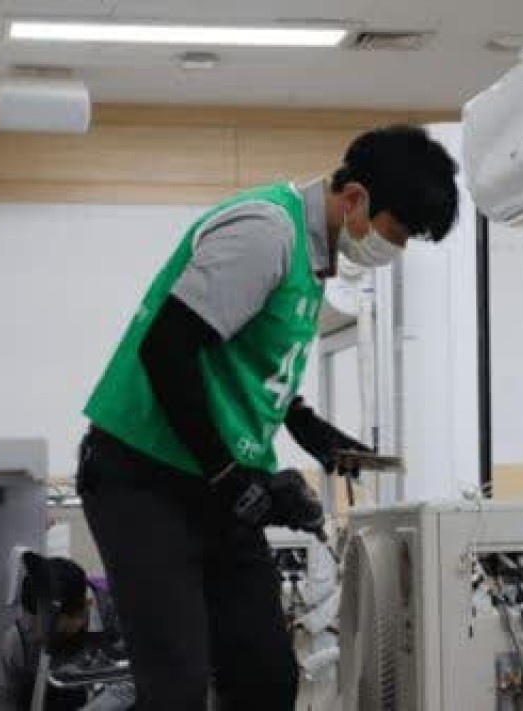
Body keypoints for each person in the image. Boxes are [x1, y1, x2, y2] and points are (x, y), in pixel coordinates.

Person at [76, 124, 459, 711]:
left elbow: (246, 362)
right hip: (144, 479)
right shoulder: (267, 233)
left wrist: (306, 426)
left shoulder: (315, 258)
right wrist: (228, 474)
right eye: (396, 233)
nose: (396, 250)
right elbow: (167, 349)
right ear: (355, 197)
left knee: (265, 679)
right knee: (176, 687)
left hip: (209, 485)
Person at [0, 556, 135, 711]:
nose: (37, 634)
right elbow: (7, 698)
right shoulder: (18, 640)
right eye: (30, 620)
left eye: (50, 627)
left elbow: (136, 682)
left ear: (82, 611)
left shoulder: (117, 617)